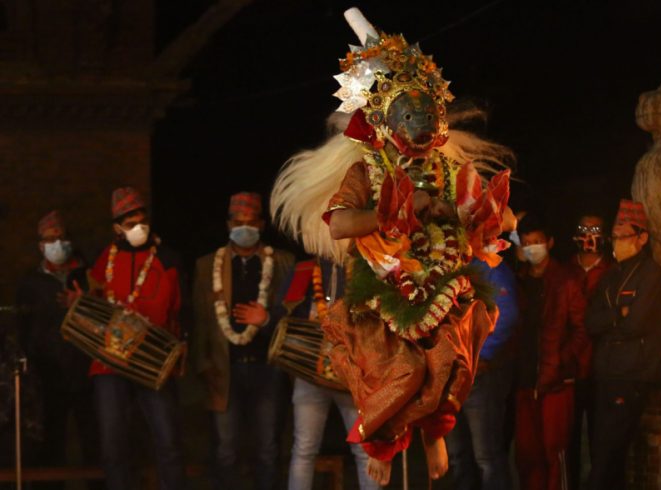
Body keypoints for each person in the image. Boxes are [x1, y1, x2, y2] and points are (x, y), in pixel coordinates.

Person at [269, 8, 516, 486]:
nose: (419, 139)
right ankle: (382, 440)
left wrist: (466, 212)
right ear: (386, 123)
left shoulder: (449, 170)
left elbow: (502, 219)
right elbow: (340, 224)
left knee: (453, 360)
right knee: (396, 369)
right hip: (387, 287)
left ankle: (434, 432)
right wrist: (396, 212)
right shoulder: (367, 170)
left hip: (444, 285)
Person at [191, 192, 294, 490]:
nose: (244, 228)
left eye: (250, 222)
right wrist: (204, 366)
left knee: (268, 449)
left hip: (268, 368)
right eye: (238, 222)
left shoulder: (282, 262)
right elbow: (200, 320)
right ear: (228, 225)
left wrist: (266, 319)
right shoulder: (207, 265)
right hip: (225, 370)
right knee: (226, 450)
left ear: (261, 224)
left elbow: (292, 315)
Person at [87, 187, 186, 490]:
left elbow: (179, 310)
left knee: (168, 441)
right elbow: (93, 305)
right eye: (131, 224)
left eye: (142, 221)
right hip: (110, 363)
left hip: (153, 359)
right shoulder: (103, 260)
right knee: (113, 445)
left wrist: (179, 347)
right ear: (117, 227)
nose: (139, 227)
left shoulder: (168, 259)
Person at [585, 199, 661, 490]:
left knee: (608, 454)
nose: (617, 243)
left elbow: (636, 323)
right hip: (606, 373)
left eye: (623, 237)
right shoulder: (611, 275)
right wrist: (618, 314)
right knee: (606, 454)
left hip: (632, 374)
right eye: (614, 237)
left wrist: (614, 321)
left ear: (642, 238)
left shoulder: (652, 275)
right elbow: (591, 322)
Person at [278, 258, 380, 490]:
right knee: (304, 449)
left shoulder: (366, 268)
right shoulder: (305, 268)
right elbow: (283, 313)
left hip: (353, 374)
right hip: (310, 372)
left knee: (364, 449)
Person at [15, 211, 98, 485]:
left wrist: (83, 303)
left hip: (87, 370)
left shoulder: (88, 276)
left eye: (60, 237)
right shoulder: (31, 283)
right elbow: (24, 327)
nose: (57, 243)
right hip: (48, 374)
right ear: (41, 245)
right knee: (51, 445)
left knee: (94, 442)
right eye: (50, 239)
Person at [513, 214, 589, 490]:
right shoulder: (519, 280)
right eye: (526, 243)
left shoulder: (567, 280)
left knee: (555, 453)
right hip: (524, 381)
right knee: (527, 455)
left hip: (555, 383)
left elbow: (581, 329)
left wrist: (560, 362)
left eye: (537, 242)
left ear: (550, 242)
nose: (532, 248)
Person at [445, 259, 518, 490]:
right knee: (457, 453)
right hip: (449, 376)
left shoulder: (490, 267)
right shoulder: (441, 265)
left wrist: (481, 354)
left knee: (486, 455)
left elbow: (507, 314)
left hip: (479, 376)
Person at [566, 212, 613, 489]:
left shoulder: (611, 271)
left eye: (595, 230)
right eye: (584, 229)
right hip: (570, 367)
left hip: (600, 367)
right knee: (568, 436)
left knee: (600, 436)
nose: (589, 236)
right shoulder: (566, 270)